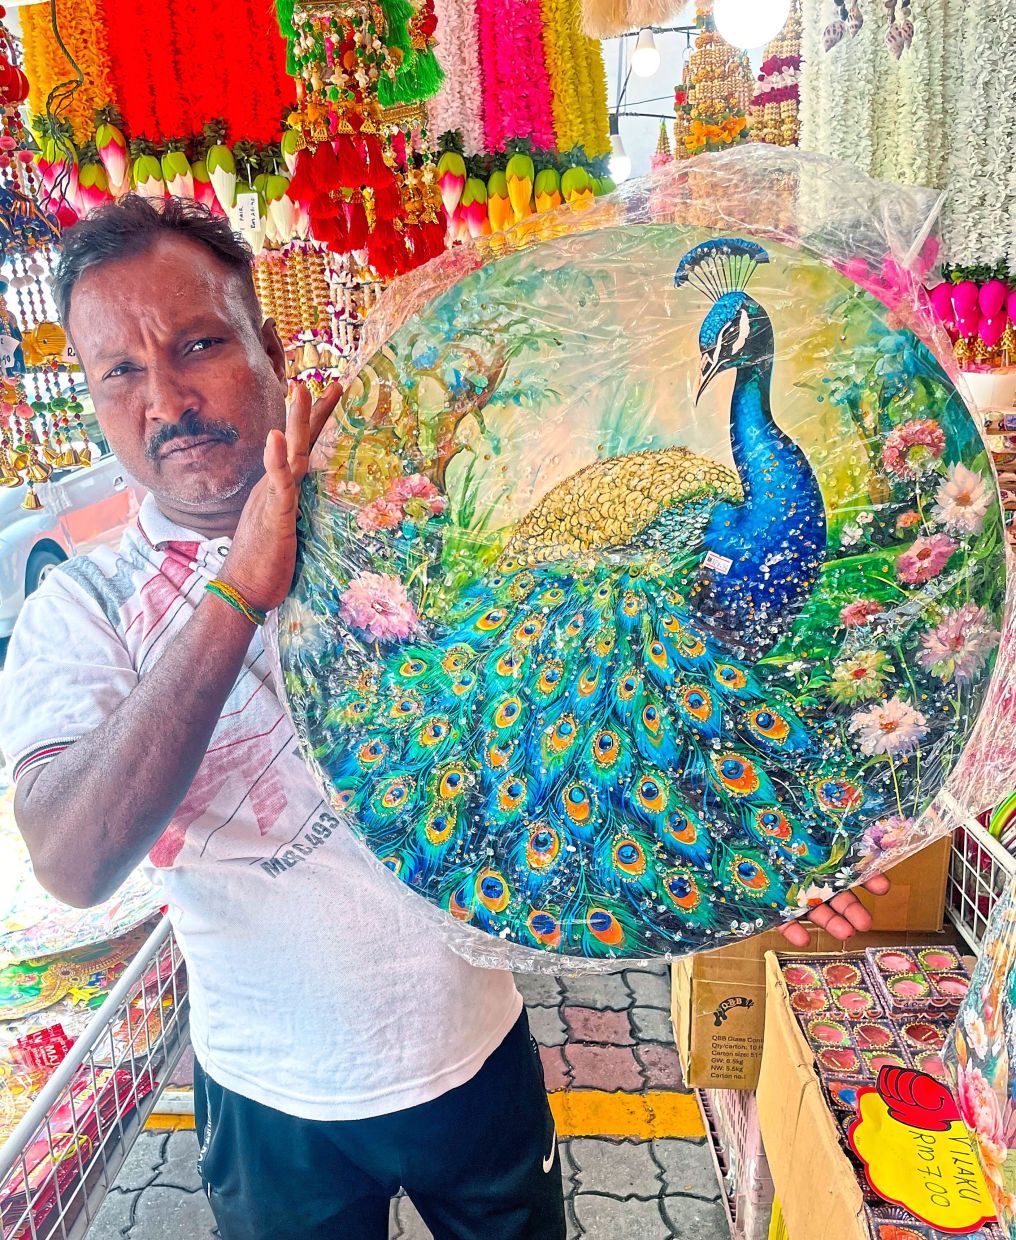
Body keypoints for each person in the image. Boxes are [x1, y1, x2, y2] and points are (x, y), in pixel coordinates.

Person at [0, 197, 887, 1240]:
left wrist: (740, 860)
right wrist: (240, 587)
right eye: (121, 371)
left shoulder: (397, 518)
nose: (167, 398)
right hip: (270, 1093)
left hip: (470, 1051)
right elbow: (71, 856)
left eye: (198, 344)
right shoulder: (86, 602)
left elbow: (570, 751)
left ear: (268, 347)